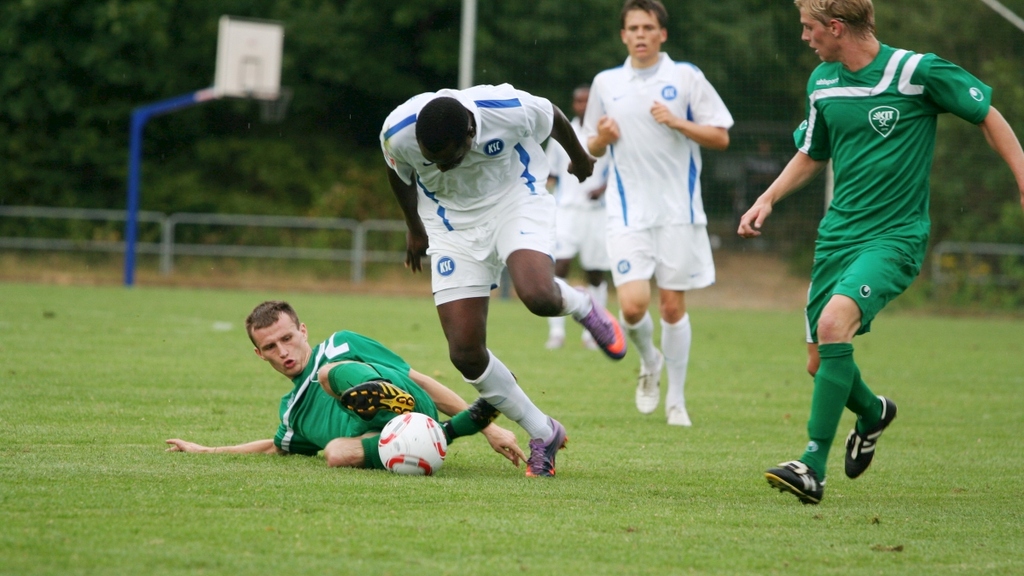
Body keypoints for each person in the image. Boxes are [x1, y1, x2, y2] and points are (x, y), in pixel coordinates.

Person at [738, 0, 1024, 505]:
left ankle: (811, 464)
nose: (805, 38)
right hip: (837, 237)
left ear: (836, 27)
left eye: (809, 29)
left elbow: (987, 114)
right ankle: (872, 413)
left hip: (894, 237)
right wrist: (768, 197)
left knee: (832, 328)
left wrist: (1022, 173)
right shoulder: (823, 82)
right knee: (818, 361)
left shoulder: (916, 71)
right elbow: (813, 153)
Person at [380, 83, 628, 477]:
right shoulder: (398, 132)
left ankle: (581, 303)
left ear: (471, 135)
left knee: (538, 296)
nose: (441, 167)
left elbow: (554, 116)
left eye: (451, 158)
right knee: (464, 352)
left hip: (516, 199)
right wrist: (414, 228)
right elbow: (400, 174)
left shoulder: (506, 109)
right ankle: (543, 432)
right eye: (433, 160)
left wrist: (579, 159)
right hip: (450, 226)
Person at [584, 0, 733, 426]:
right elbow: (589, 147)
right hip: (627, 213)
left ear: (662, 33)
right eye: (633, 28)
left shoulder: (686, 77)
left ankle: (676, 401)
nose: (641, 34)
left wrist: (678, 123)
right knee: (632, 308)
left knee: (671, 308)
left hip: (679, 214)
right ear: (623, 35)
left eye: (648, 27)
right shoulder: (606, 83)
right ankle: (650, 362)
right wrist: (601, 139)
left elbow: (720, 136)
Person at [166, 301, 526, 470]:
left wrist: (493, 431)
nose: (284, 351)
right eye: (270, 347)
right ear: (260, 355)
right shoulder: (292, 414)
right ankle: (448, 430)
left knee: (328, 374)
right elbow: (273, 449)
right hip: (402, 443)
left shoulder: (340, 344)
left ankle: (389, 401)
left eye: (288, 338)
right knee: (336, 452)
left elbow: (419, 379)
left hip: (413, 401)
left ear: (303, 331)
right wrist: (206, 451)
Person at [544, 84, 612, 351]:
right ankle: (557, 332)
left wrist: (602, 189)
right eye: (579, 101)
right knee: (559, 268)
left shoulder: (606, 134)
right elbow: (552, 173)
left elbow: (617, 171)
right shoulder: (563, 134)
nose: (583, 106)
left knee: (594, 273)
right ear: (574, 105)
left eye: (588, 102)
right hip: (567, 211)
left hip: (597, 213)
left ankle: (594, 333)